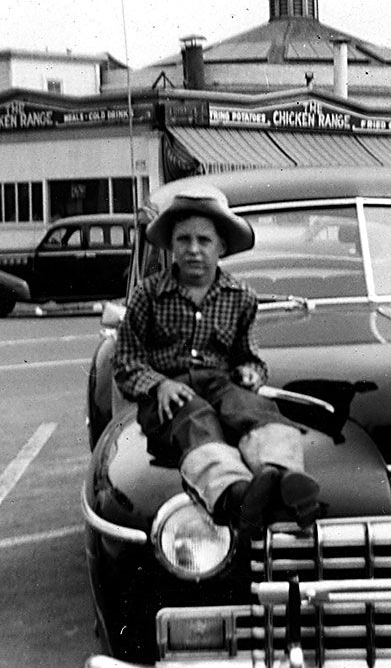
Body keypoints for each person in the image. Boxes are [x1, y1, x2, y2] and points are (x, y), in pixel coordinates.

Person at [114, 185, 322, 530]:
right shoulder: (147, 295)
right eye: (183, 240)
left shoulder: (241, 297)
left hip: (220, 384)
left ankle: (281, 476)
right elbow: (125, 361)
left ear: (221, 247)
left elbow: (249, 356)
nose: (193, 250)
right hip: (167, 398)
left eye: (204, 241)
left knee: (253, 409)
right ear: (170, 245)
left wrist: (251, 373)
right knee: (195, 419)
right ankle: (235, 493)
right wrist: (158, 384)